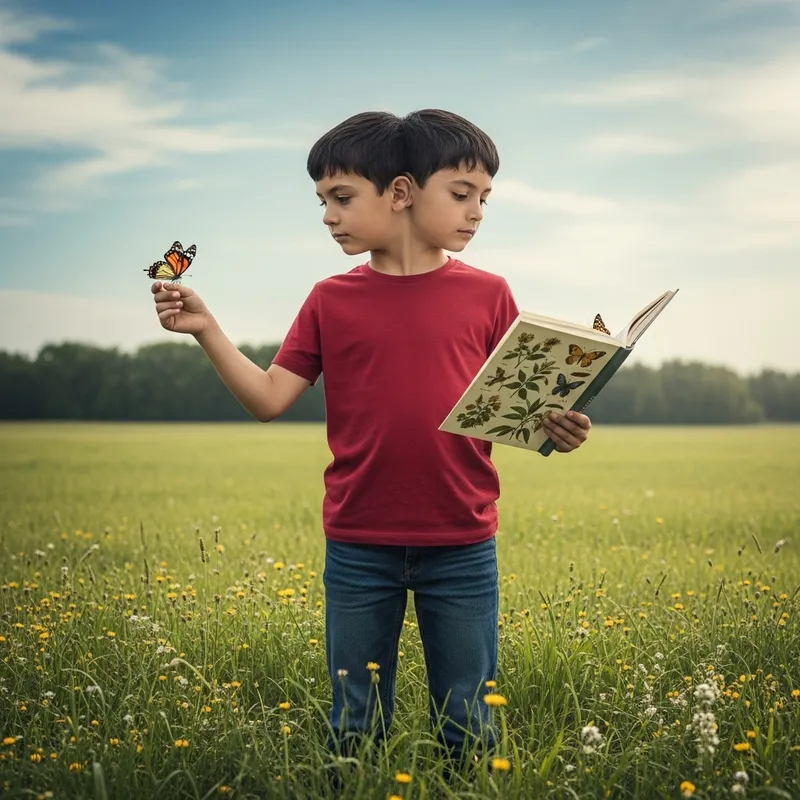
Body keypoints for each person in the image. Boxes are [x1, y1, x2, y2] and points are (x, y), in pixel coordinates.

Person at [150, 109, 591, 768]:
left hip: (462, 541)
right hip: (358, 541)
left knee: (468, 716)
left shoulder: (490, 295)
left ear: (399, 192)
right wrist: (207, 329)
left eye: (341, 198)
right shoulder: (330, 300)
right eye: (325, 201)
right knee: (354, 720)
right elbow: (268, 399)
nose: (329, 216)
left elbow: (515, 407)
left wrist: (561, 427)